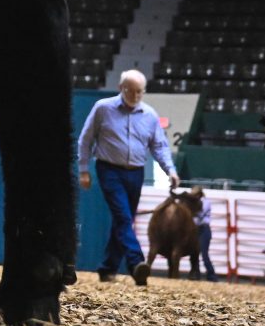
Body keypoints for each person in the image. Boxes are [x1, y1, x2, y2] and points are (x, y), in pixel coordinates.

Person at [76, 69, 179, 284]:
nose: (135, 95)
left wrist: (170, 170)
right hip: (109, 170)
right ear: (121, 88)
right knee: (123, 216)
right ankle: (136, 263)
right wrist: (84, 169)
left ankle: (107, 268)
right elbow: (86, 139)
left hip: (136, 172)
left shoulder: (150, 115)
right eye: (130, 91)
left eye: (139, 91)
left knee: (122, 220)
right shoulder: (103, 108)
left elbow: (159, 146)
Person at [188, 186, 219, 281]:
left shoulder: (206, 202)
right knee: (194, 253)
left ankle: (211, 275)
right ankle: (196, 275)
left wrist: (190, 212)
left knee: (204, 254)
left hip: (204, 230)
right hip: (196, 229)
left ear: (199, 194)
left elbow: (200, 213)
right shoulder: (195, 203)